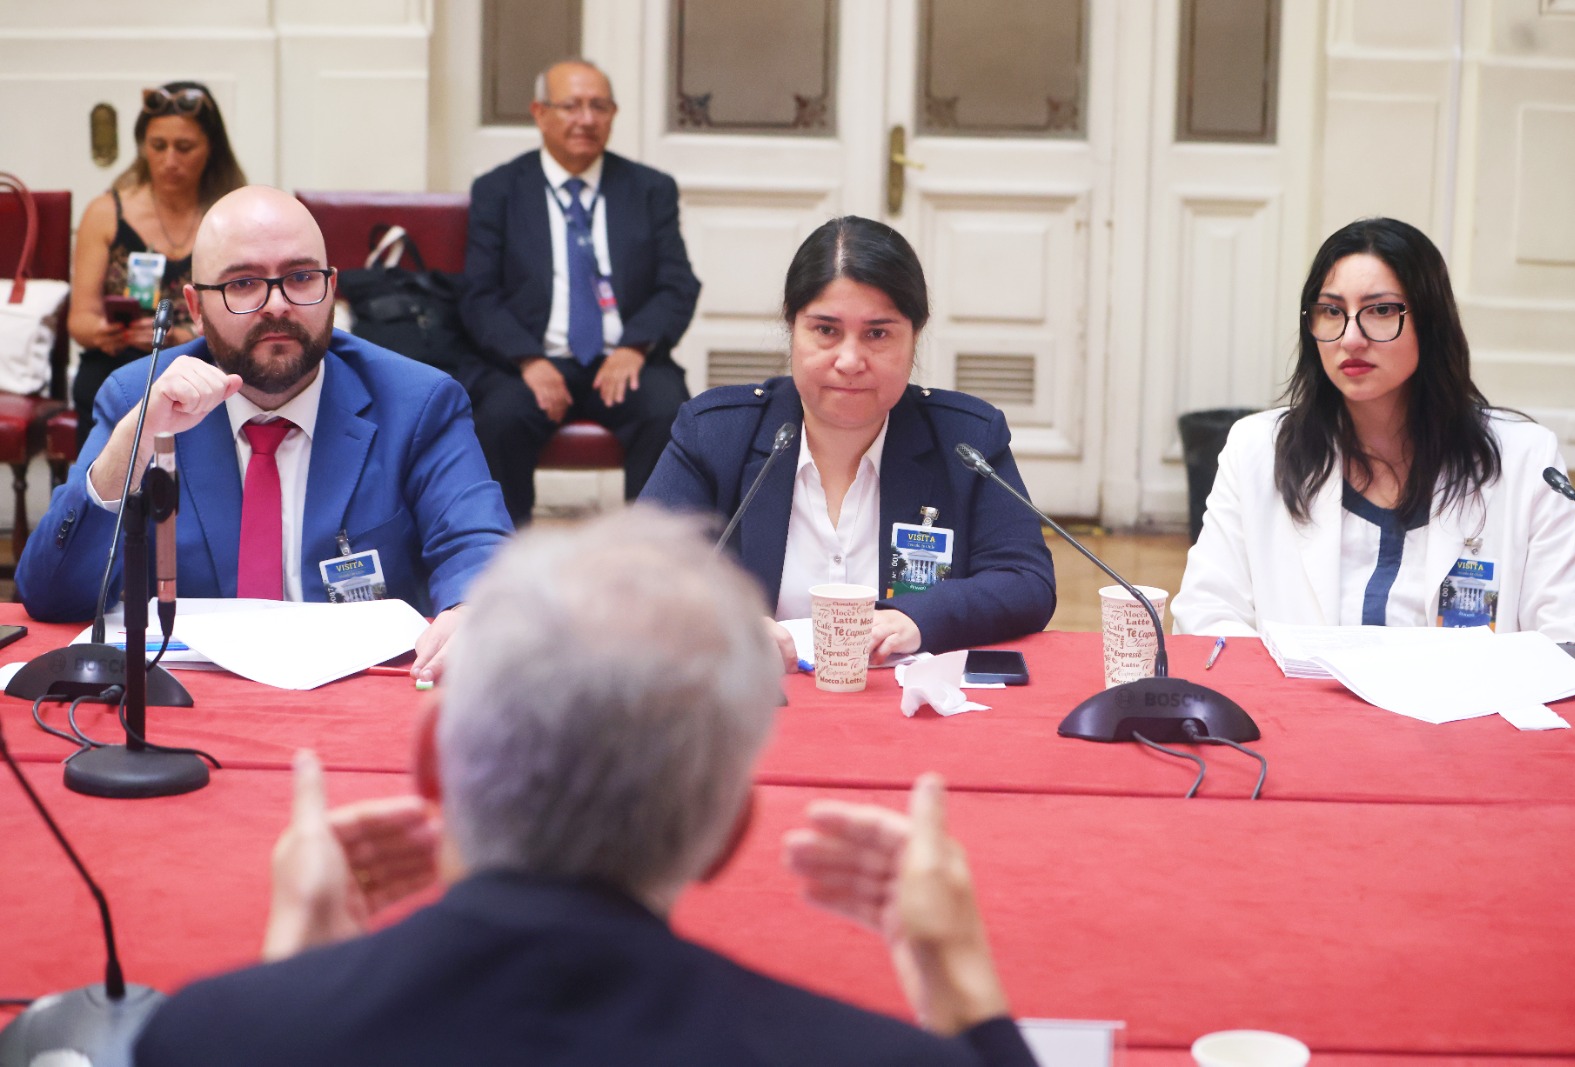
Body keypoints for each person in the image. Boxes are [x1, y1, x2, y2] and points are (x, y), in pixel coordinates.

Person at [131, 509, 1039, 1067]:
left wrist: (300, 989)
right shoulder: (876, 1060)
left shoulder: (204, 1040)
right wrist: (962, 992)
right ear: (728, 829)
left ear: (432, 768)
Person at [18, 186, 513, 678]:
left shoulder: (418, 402)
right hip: (194, 699)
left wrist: (470, 611)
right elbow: (50, 597)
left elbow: (477, 545)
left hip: (354, 693)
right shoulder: (137, 398)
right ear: (195, 306)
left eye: (300, 277)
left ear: (332, 288)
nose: (277, 304)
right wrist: (134, 446)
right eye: (243, 284)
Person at [640, 216, 1056, 664]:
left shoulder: (965, 440)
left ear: (915, 336)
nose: (850, 360)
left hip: (905, 710)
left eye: (877, 334)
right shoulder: (717, 433)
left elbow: (1025, 579)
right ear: (792, 329)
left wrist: (918, 618)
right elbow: (636, 569)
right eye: (826, 330)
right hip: (756, 706)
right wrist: (723, 621)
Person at [1171, 217, 1575, 640]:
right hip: (1295, 709)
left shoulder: (1525, 460)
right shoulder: (1256, 450)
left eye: (1380, 310)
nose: (1351, 338)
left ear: (1430, 323)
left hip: (1466, 709)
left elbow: (1573, 635)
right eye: (1331, 311)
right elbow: (1206, 616)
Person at [457, 58, 700, 524]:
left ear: (613, 114)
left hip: (623, 359)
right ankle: (499, 559)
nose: (586, 120)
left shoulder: (650, 189)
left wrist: (634, 347)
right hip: (531, 359)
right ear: (539, 112)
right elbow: (478, 294)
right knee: (499, 418)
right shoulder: (500, 190)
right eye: (571, 106)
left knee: (667, 410)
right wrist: (528, 359)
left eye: (599, 106)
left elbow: (677, 284)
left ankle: (650, 560)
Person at [67, 81, 247, 447]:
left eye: (184, 148)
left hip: (204, 363)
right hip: (117, 363)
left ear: (211, 149)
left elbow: (245, 313)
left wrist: (183, 339)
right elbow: (79, 321)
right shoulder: (106, 213)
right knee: (101, 388)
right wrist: (104, 331)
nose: (169, 161)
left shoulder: (233, 216)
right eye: (157, 146)